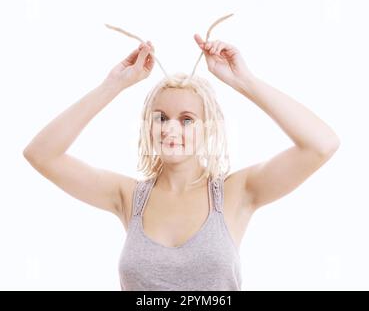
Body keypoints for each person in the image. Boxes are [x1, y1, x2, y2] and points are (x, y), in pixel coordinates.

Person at [23, 30, 340, 291]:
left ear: (208, 128)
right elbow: (41, 154)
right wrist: (113, 84)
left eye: (187, 119)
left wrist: (246, 81)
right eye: (161, 118)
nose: (171, 128)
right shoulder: (128, 197)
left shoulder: (235, 193)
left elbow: (321, 145)